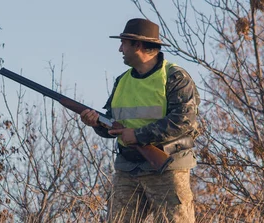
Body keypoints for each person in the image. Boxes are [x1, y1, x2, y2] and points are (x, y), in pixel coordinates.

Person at [80, 18, 200, 223]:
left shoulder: (174, 77)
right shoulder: (122, 81)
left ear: (138, 45)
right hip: (128, 168)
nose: (120, 49)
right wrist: (95, 123)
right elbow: (111, 124)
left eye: (124, 43)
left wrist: (138, 135)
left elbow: (183, 120)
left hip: (167, 167)